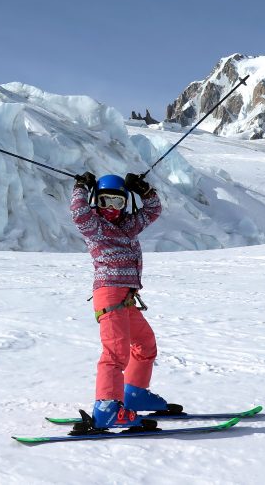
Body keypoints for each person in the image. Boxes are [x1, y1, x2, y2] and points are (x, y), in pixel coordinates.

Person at [71, 170, 168, 429]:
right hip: (109, 293)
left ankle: (133, 393)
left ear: (126, 203)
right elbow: (79, 214)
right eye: (105, 202)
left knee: (145, 343)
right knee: (115, 353)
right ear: (96, 203)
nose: (111, 208)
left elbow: (152, 210)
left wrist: (145, 191)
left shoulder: (127, 226)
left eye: (118, 202)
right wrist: (81, 187)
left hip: (126, 297)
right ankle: (106, 409)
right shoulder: (95, 227)